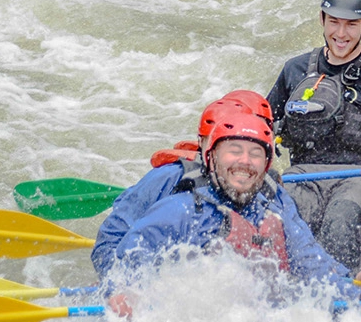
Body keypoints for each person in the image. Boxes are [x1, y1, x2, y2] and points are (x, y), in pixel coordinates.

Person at [109, 110, 361, 297]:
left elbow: (316, 268)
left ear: (266, 165)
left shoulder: (275, 212)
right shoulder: (179, 210)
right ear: (211, 158)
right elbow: (125, 264)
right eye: (234, 151)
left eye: (255, 154)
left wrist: (359, 293)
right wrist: (122, 294)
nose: (245, 161)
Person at [266, 0, 361, 271]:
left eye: (351, 25)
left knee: (341, 219)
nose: (341, 34)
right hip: (301, 177)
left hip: (360, 179)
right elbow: (263, 127)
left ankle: (339, 297)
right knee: (281, 219)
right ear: (322, 19)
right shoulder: (294, 69)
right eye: (334, 22)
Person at [92, 93, 275, 277]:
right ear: (206, 143)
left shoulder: (262, 187)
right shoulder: (170, 177)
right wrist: (116, 283)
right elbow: (111, 237)